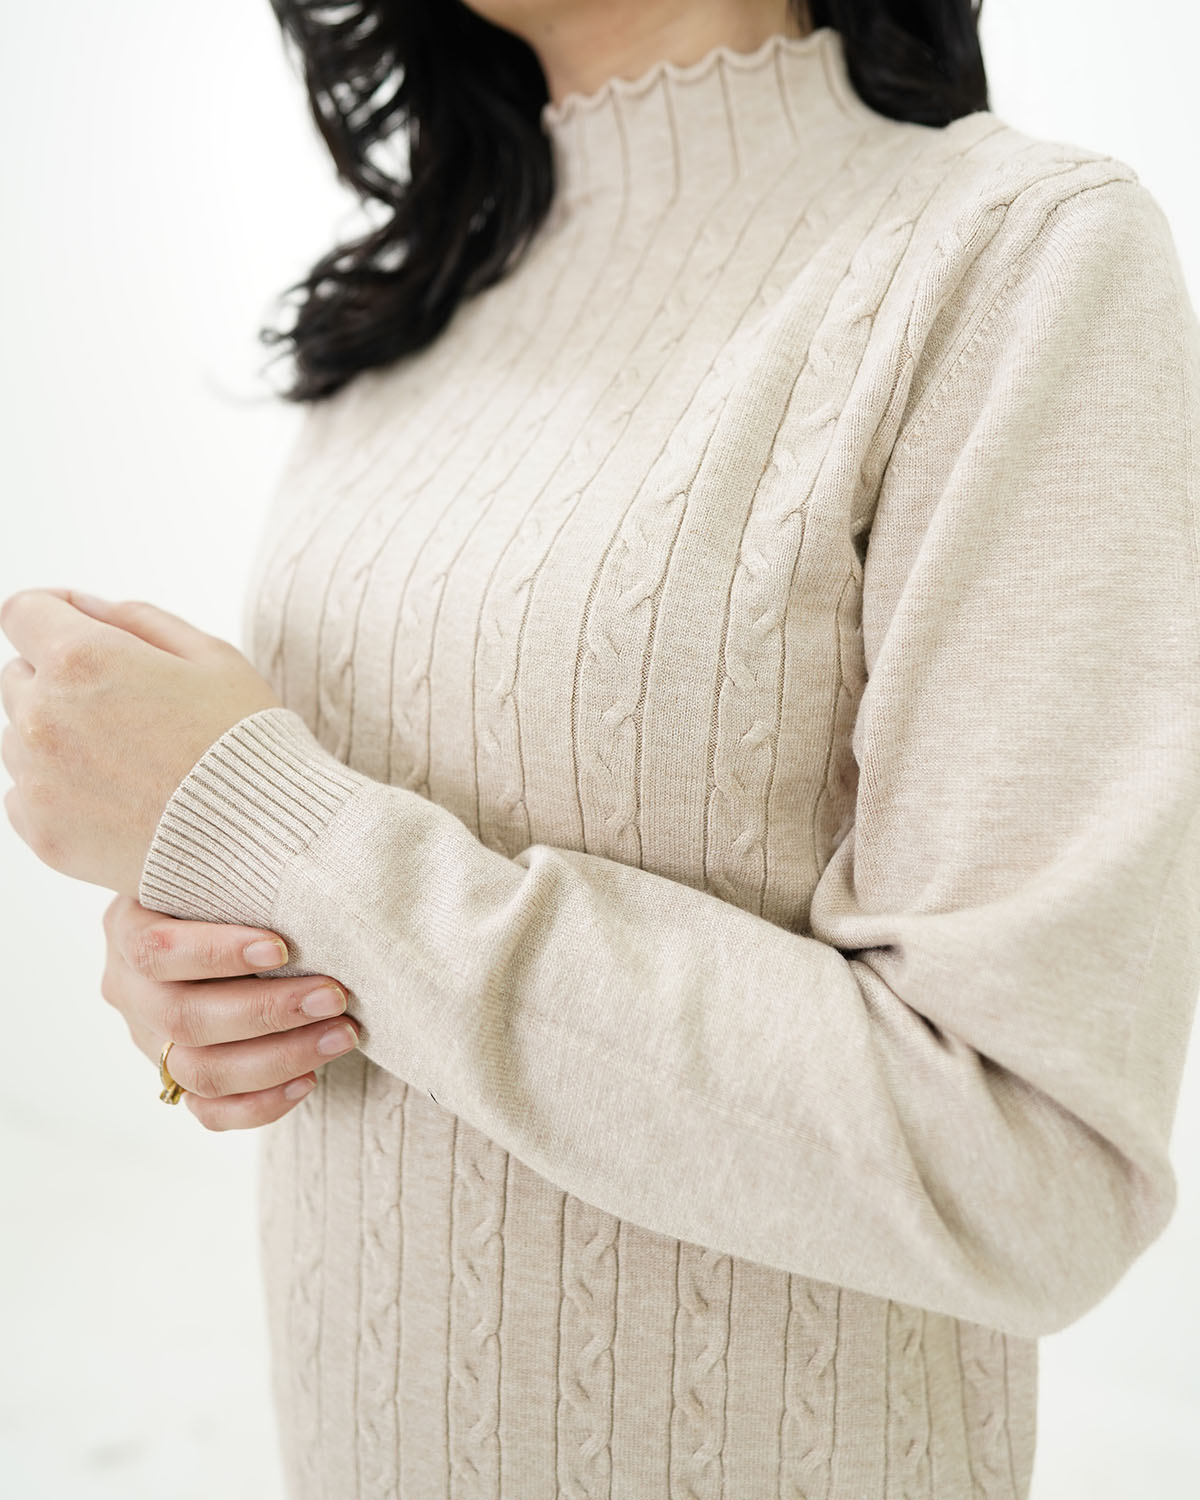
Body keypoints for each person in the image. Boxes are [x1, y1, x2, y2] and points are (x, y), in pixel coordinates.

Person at [2, 0, 1198, 1494]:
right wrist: (210, 983)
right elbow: (347, 920)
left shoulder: (1013, 254)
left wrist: (280, 831)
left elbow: (1029, 1165)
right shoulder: (416, 315)